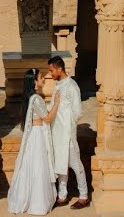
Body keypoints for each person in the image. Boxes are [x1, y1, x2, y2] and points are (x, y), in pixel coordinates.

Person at [7, 68, 56, 215]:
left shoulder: (30, 98)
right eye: (41, 77)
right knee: (39, 167)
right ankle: (38, 203)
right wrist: (57, 103)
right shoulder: (37, 99)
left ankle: (30, 200)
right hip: (38, 135)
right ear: (34, 82)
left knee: (32, 167)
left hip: (34, 135)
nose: (43, 79)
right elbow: (47, 118)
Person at [45, 56, 89, 209]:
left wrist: (68, 130)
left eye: (51, 70)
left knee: (76, 165)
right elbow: (52, 106)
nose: (50, 74)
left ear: (59, 69)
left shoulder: (72, 86)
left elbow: (77, 112)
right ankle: (62, 195)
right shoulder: (58, 85)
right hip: (56, 133)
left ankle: (83, 196)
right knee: (60, 164)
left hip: (67, 134)